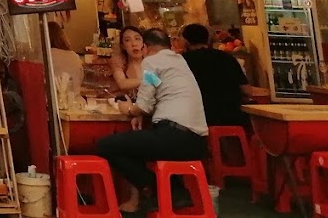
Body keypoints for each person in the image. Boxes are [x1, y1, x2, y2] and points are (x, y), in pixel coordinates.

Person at [95, 28, 208, 213]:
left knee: (105, 145)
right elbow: (156, 88)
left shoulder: (151, 62)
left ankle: (160, 190)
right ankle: (172, 191)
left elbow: (144, 104)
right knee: (137, 147)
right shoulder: (179, 61)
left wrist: (130, 109)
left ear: (146, 46)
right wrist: (141, 111)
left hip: (173, 136)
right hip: (196, 142)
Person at [180, 23, 248, 128]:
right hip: (231, 117)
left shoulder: (181, 61)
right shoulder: (227, 58)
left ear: (186, 42)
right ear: (208, 40)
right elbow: (245, 88)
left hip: (198, 119)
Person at [48, 21, 85, 99]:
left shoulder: (44, 56)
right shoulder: (74, 56)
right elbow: (80, 80)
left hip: (53, 102)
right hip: (76, 102)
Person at [109, 25, 146, 96]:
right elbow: (122, 84)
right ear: (122, 46)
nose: (134, 44)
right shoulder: (119, 61)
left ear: (143, 43)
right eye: (127, 40)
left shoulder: (150, 60)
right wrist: (148, 81)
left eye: (137, 39)